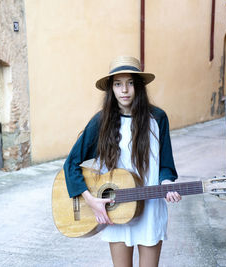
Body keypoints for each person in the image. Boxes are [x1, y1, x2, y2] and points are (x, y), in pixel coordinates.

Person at [63, 56, 182, 267]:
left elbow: (166, 165)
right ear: (111, 89)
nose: (124, 90)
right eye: (118, 84)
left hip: (151, 209)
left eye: (130, 83)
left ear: (139, 86)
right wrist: (91, 200)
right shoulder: (101, 121)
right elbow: (71, 163)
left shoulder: (158, 118)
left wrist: (166, 183)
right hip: (115, 211)